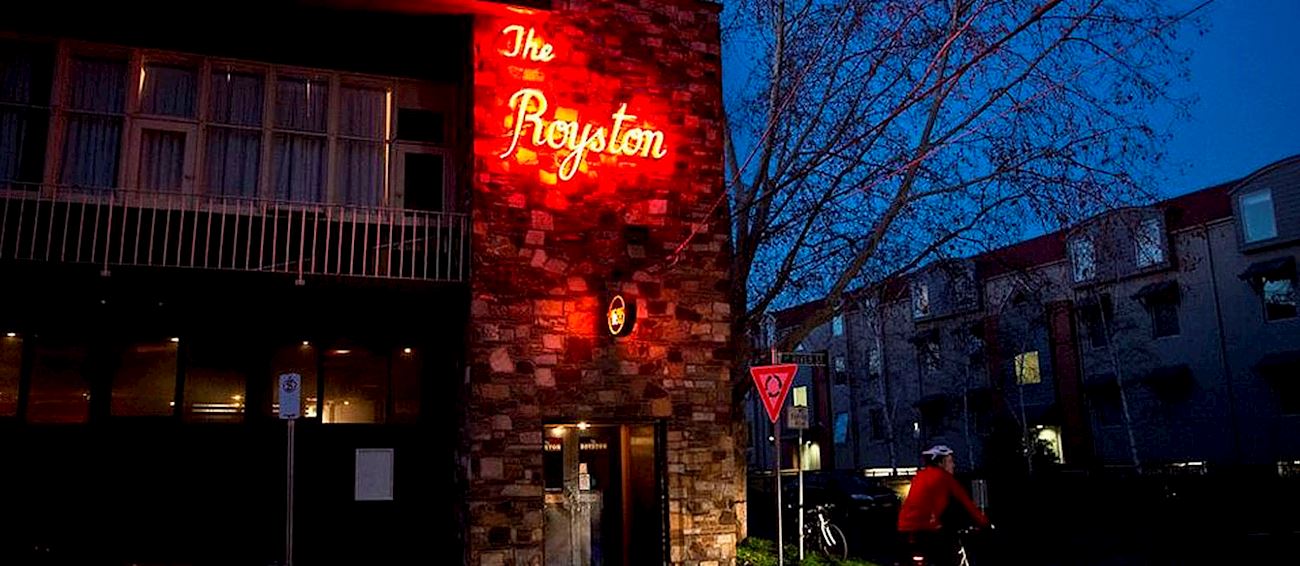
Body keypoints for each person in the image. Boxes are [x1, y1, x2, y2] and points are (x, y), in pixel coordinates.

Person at [896, 445, 990, 565]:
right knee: (948, 556)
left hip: (904, 528)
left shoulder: (919, 476)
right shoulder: (945, 477)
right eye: (950, 461)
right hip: (927, 528)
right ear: (940, 463)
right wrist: (985, 523)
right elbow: (966, 502)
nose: (953, 465)